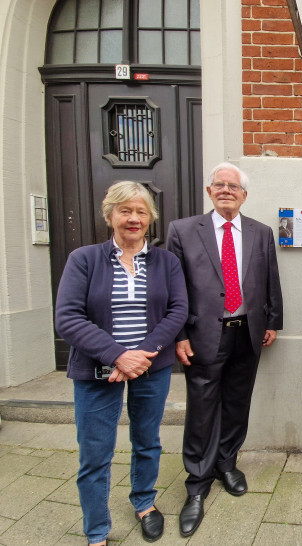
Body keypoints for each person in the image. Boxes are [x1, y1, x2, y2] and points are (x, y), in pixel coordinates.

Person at [55, 181, 188, 545]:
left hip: (150, 367)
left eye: (141, 212)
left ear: (151, 219)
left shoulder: (166, 261)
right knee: (95, 452)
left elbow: (178, 311)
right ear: (109, 214)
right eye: (125, 211)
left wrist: (142, 355)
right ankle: (97, 530)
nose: (133, 218)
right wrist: (118, 355)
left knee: (147, 440)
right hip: (98, 371)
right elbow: (67, 318)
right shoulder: (83, 259)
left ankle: (144, 503)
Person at [166, 162, 283, 537]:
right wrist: (179, 334)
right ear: (209, 190)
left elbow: (270, 279)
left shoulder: (260, 232)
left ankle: (226, 463)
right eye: (220, 184)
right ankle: (197, 484)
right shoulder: (183, 231)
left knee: (237, 402)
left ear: (244, 194)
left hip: (247, 333)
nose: (227, 190)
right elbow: (174, 288)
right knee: (201, 408)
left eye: (234, 186)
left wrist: (272, 322)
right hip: (202, 336)